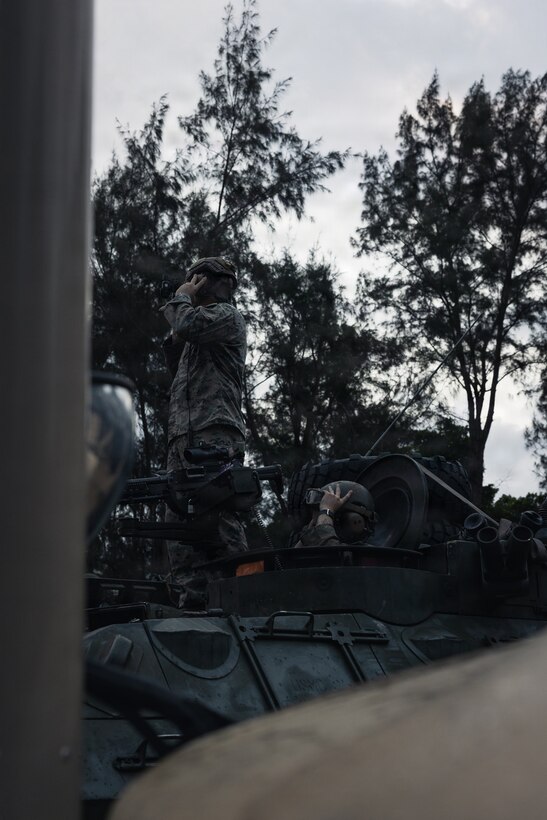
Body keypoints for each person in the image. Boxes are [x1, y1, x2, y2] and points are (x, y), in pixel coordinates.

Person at [161, 256, 248, 608]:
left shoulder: (227, 317)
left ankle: (242, 598)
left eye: (195, 281)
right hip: (184, 438)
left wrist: (181, 296)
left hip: (215, 435)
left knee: (220, 520)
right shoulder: (198, 330)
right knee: (178, 526)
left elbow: (186, 324)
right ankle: (192, 601)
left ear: (201, 282)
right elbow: (176, 357)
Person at [294, 481, 377, 548]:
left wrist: (326, 511)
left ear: (354, 520)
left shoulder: (369, 555)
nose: (318, 521)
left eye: (320, 516)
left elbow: (329, 549)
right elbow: (291, 561)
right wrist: (310, 532)